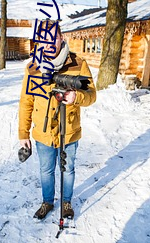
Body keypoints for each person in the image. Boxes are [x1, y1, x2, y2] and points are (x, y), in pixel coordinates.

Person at [18, 20, 96, 220]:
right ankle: (47, 202)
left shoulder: (78, 64)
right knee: (46, 170)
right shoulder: (33, 68)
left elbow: (92, 95)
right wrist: (23, 134)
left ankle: (67, 202)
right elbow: (26, 102)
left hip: (69, 130)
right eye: (45, 39)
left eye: (54, 37)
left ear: (62, 37)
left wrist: (76, 97)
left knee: (68, 169)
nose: (50, 42)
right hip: (43, 133)